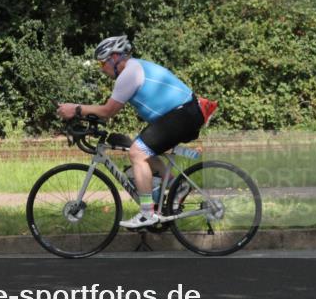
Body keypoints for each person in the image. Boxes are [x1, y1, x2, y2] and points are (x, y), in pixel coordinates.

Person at [56, 35, 214, 228]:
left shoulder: (130, 73)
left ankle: (147, 213)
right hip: (184, 114)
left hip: (183, 115)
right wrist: (80, 115)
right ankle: (176, 185)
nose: (102, 70)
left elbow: (108, 110)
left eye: (102, 64)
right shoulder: (134, 69)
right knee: (139, 148)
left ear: (114, 57)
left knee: (136, 153)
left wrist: (77, 109)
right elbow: (106, 115)